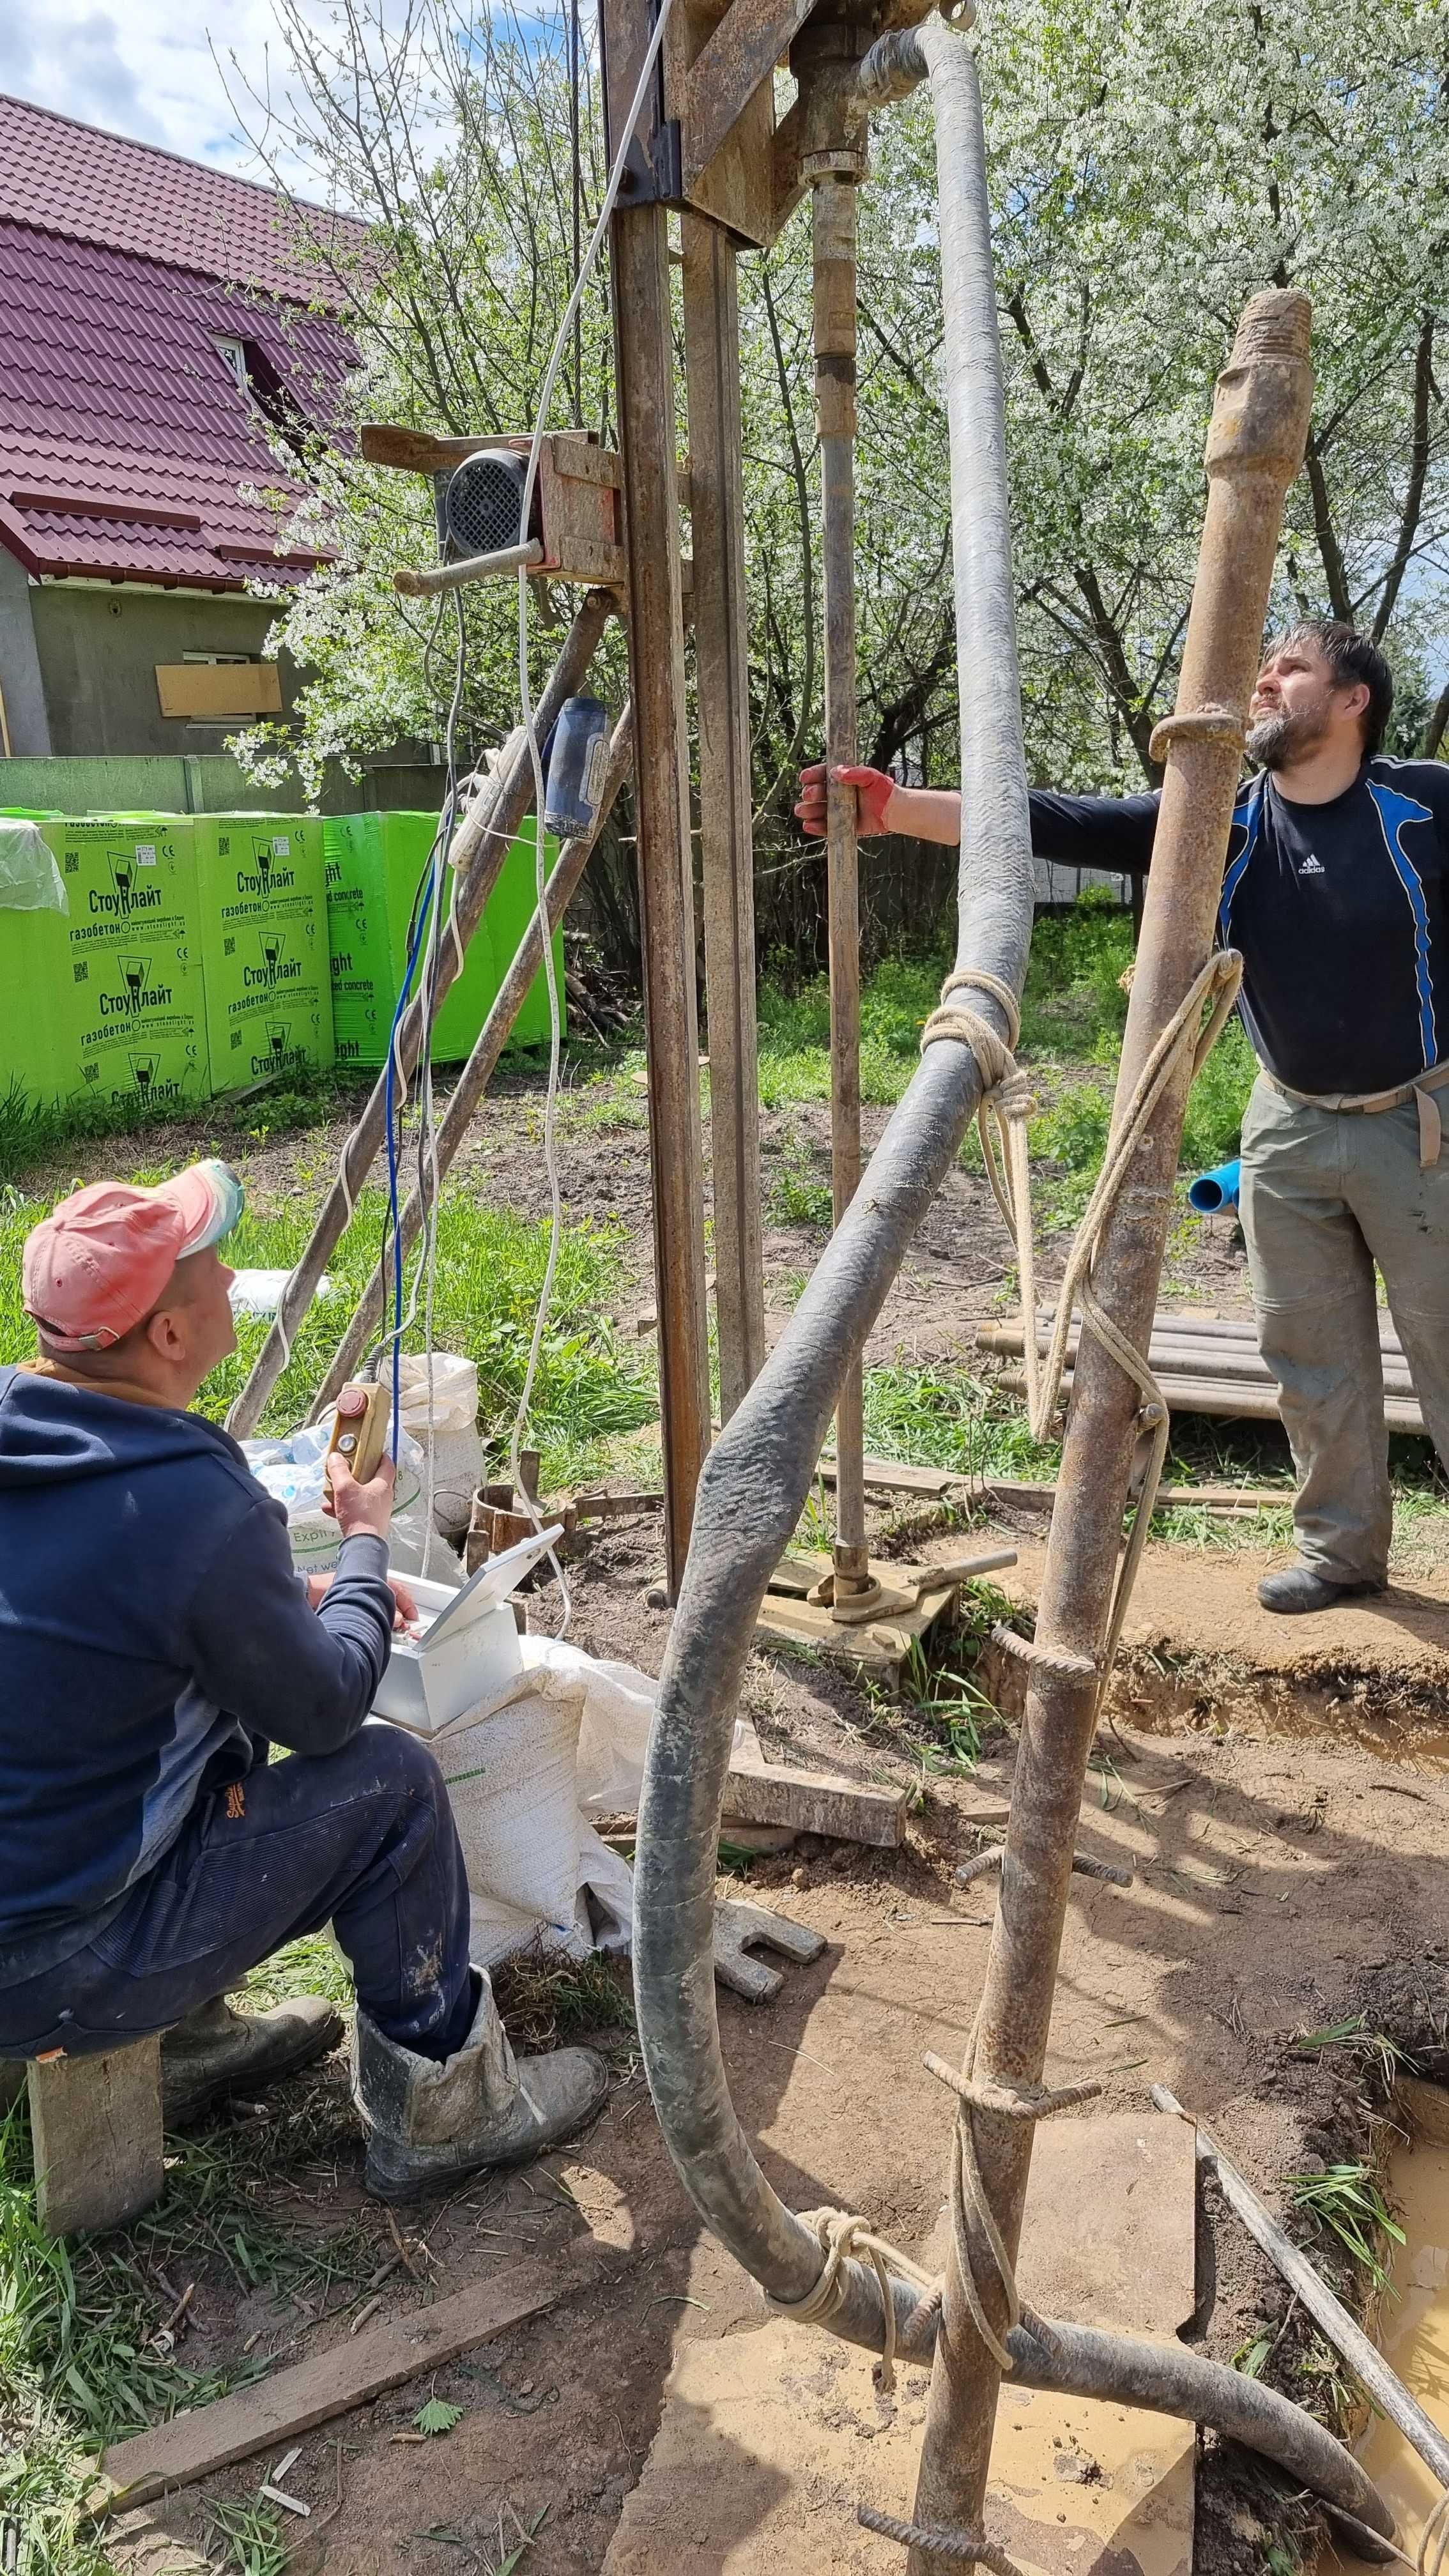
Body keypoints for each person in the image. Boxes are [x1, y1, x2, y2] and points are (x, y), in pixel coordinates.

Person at [797, 618, 1449, 1614]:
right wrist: (893, 809)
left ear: (1355, 700)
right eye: (1265, 660)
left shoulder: (1425, 804)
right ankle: (1343, 1554)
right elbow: (1056, 820)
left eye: (1292, 668)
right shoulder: (1217, 819)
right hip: (1287, 1125)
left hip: (1425, 1121)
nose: (1265, 679)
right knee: (1308, 1352)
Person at [0, 1162, 604, 2197]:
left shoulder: (41, 1438)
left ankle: (188, 2041)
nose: (231, 1273)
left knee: (189, 1728)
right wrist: (365, 1543)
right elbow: (325, 1709)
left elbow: (108, 1597)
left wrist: (284, 1588)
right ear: (169, 1337)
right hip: (64, 1966)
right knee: (390, 1784)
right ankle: (445, 2109)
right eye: (208, 1268)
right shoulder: (192, 1498)